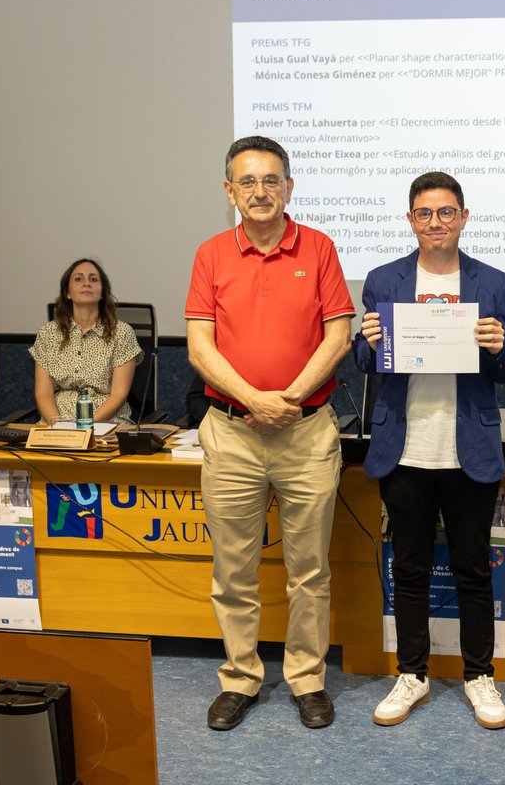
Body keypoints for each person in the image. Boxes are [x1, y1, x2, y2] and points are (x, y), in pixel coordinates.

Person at [185, 136, 354, 731]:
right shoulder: (211, 254)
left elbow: (338, 336)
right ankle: (241, 677)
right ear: (229, 191)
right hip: (231, 433)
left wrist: (288, 400)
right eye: (247, 182)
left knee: (310, 571)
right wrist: (253, 398)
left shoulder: (320, 248)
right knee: (233, 570)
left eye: (271, 180)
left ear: (289, 186)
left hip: (306, 433)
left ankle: (307, 680)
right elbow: (200, 345)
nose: (260, 192)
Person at [353, 171, 505, 729]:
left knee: (474, 568)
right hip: (405, 446)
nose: (435, 223)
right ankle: (412, 674)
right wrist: (368, 342)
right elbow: (363, 360)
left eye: (446, 212)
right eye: (424, 213)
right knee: (410, 567)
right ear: (410, 220)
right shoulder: (384, 279)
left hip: (467, 445)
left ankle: (479, 676)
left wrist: (499, 348)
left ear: (464, 218)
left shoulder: (492, 282)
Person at [30, 258, 142, 425]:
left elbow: (119, 394)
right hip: (56, 423)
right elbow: (43, 393)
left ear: (103, 292)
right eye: (78, 279)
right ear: (67, 292)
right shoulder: (48, 333)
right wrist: (59, 427)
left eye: (93, 279)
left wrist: (84, 427)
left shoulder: (122, 333)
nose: (86, 283)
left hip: (107, 422)